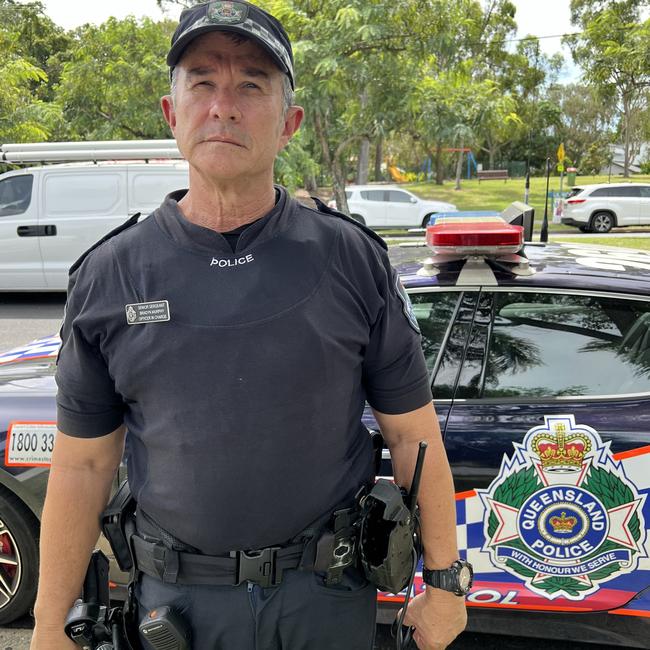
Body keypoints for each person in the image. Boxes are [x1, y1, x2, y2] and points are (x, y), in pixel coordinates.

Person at [30, 2, 468, 649]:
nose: (223, 105)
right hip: (179, 608)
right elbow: (83, 466)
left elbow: (412, 436)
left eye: (251, 85)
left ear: (288, 121)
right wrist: (48, 622)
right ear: (170, 113)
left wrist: (445, 585)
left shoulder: (352, 260)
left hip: (325, 602)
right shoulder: (109, 277)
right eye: (202, 82)